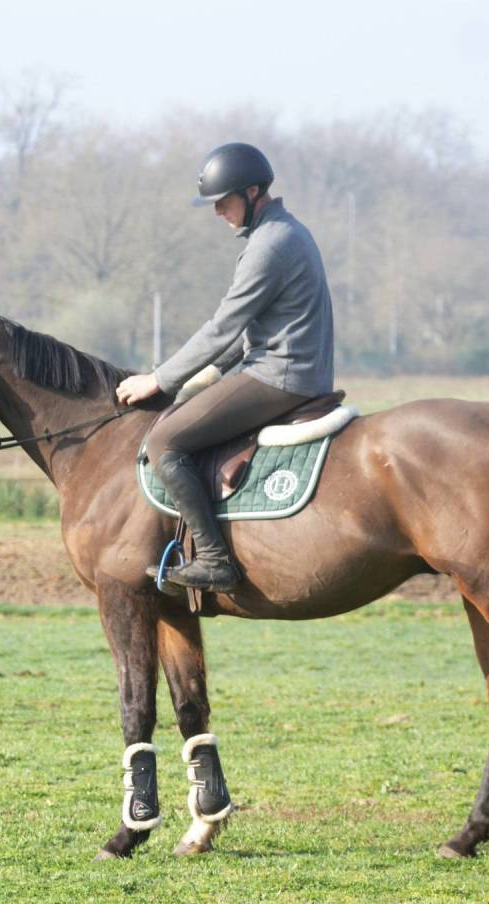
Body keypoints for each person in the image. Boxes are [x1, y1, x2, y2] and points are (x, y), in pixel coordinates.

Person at [116, 142, 335, 592]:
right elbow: (249, 332)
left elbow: (223, 326)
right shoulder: (283, 232)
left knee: (164, 441)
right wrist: (204, 376)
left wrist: (159, 379)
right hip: (285, 367)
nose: (217, 211)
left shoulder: (269, 245)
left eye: (223, 200)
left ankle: (215, 560)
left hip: (281, 376)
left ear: (253, 192)